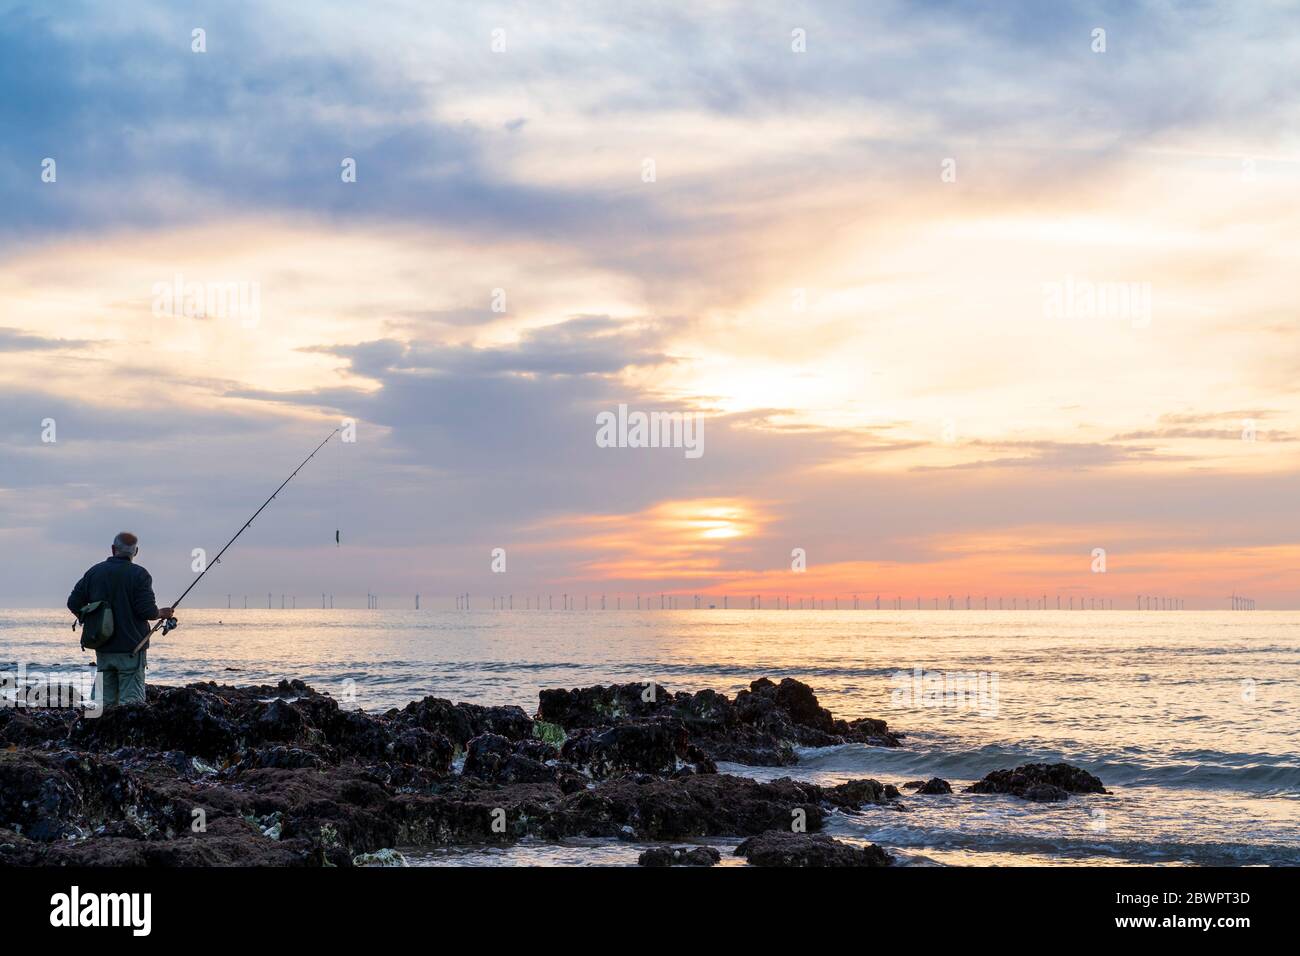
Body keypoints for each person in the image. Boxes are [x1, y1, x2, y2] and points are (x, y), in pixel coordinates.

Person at [67, 532, 174, 707]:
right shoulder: (140, 575)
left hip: (102, 647)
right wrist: (163, 613)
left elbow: (73, 603)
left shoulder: (95, 572)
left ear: (113, 549)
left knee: (102, 703)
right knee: (131, 705)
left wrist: (92, 620)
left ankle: (99, 733)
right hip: (131, 648)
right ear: (136, 552)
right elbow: (147, 611)